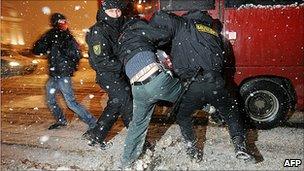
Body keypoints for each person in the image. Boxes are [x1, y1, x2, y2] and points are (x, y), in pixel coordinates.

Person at [150, 10, 256, 163]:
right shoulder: (213, 32)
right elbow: (221, 58)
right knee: (231, 112)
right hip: (217, 83)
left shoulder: (183, 24)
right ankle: (240, 146)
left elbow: (161, 17)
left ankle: (192, 148)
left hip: (194, 84)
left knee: (182, 115)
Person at [117, 17, 182, 168]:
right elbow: (164, 35)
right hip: (155, 79)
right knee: (189, 94)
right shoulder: (138, 27)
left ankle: (126, 162)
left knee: (137, 125)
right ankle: (214, 109)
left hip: (137, 88)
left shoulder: (122, 40)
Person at [33, 13, 97, 130]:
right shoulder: (52, 35)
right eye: (62, 22)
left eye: (65, 22)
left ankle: (93, 122)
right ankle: (61, 120)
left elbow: (77, 54)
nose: (65, 24)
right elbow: (36, 49)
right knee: (50, 100)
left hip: (63, 76)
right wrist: (46, 41)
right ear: (56, 23)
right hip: (54, 75)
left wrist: (69, 66)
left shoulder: (67, 37)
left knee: (71, 102)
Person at [83, 0, 133, 148]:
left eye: (118, 11)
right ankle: (138, 141)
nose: (116, 14)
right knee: (127, 102)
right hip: (107, 75)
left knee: (115, 104)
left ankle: (97, 134)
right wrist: (123, 64)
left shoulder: (122, 26)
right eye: (112, 11)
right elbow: (100, 61)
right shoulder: (98, 31)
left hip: (120, 74)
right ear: (104, 12)